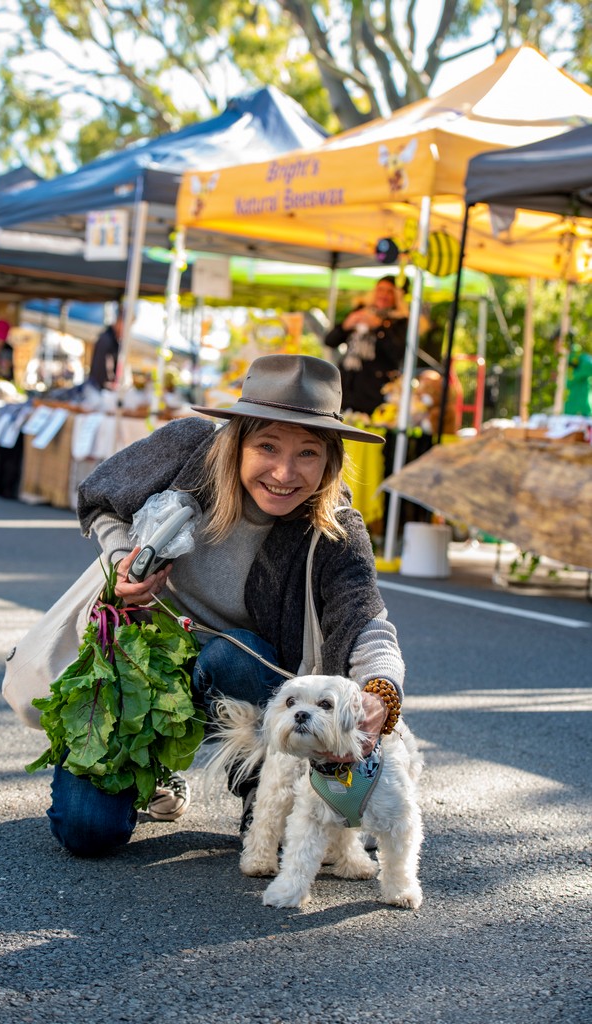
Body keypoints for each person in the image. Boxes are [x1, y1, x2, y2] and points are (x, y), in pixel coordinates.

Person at [46, 353, 406, 857]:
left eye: (307, 453)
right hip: (142, 665)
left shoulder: (335, 530)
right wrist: (122, 559)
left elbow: (366, 620)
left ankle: (263, 787)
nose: (285, 472)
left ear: (330, 461)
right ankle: (158, 765)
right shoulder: (187, 450)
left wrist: (380, 690)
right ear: (237, 441)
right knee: (86, 832)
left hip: (242, 677)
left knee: (234, 652)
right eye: (267, 446)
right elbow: (102, 498)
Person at [324, 275, 409, 415]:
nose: (384, 295)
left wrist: (379, 328)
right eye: (380, 289)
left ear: (397, 296)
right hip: (346, 384)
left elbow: (397, 353)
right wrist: (345, 326)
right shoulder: (360, 310)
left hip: (375, 391)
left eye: (389, 291)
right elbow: (329, 341)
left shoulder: (399, 322)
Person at [88, 308, 124, 390]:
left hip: (100, 388)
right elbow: (100, 371)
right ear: (119, 322)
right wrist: (109, 384)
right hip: (98, 389)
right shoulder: (106, 339)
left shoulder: (113, 340)